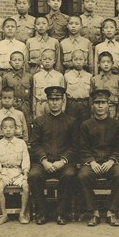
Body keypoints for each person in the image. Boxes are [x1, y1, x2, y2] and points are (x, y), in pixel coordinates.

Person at [29, 86, 78, 225]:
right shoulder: (39, 121)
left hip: (63, 163)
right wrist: (44, 161)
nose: (54, 102)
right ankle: (42, 212)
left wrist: (62, 161)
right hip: (44, 163)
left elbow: (75, 146)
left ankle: (61, 213)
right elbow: (35, 144)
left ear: (63, 101)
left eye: (57, 99)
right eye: (51, 99)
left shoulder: (71, 121)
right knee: (34, 175)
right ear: (47, 101)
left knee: (69, 175)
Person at [77, 89, 119, 227]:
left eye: (103, 102)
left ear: (108, 105)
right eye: (97, 103)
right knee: (82, 176)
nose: (100, 106)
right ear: (92, 105)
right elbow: (83, 147)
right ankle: (94, 212)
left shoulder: (117, 125)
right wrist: (91, 162)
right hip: (93, 162)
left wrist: (112, 161)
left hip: (110, 162)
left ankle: (111, 211)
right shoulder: (85, 125)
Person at [0, 116, 31, 225]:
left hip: (18, 172)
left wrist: (25, 174)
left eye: (11, 127)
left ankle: (22, 214)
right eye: (5, 128)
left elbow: (25, 160)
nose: (8, 130)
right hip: (4, 172)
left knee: (26, 186)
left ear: (16, 129)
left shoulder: (21, 143)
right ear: (1, 130)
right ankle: (4, 215)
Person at [2, 51, 33, 131]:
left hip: (25, 105)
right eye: (14, 60)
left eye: (19, 60)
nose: (17, 62)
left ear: (24, 62)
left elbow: (32, 95)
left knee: (26, 126)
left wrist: (31, 110)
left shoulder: (29, 77)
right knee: (11, 125)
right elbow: (3, 95)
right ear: (10, 63)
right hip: (11, 105)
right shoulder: (6, 77)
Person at [32, 48, 65, 119]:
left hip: (54, 105)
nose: (47, 61)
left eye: (50, 59)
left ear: (54, 61)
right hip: (40, 105)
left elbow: (63, 94)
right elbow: (34, 95)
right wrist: (34, 110)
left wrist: (63, 108)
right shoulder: (36, 76)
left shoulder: (59, 76)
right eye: (44, 59)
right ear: (41, 61)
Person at [63, 49, 92, 125]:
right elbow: (64, 94)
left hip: (85, 104)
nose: (78, 62)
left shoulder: (89, 76)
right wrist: (63, 108)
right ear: (71, 61)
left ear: (85, 61)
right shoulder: (67, 76)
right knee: (71, 125)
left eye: (81, 59)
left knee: (85, 125)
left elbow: (91, 94)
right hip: (72, 104)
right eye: (75, 59)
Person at [91, 51, 119, 119]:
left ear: (112, 63)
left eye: (108, 62)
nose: (106, 64)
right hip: (98, 109)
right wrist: (92, 111)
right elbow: (91, 97)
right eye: (103, 62)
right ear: (98, 64)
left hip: (112, 109)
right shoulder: (94, 79)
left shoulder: (117, 79)